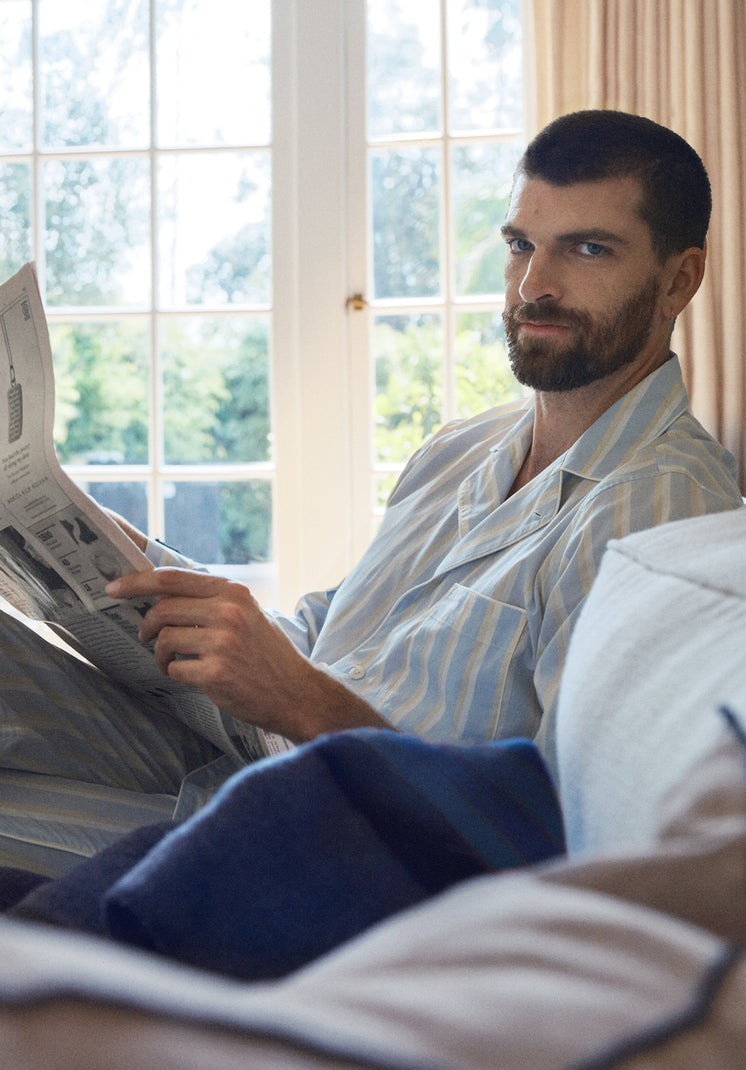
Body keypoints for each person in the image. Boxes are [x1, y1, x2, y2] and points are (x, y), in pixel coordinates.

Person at [0, 110, 741, 864]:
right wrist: (103, 542)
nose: (534, 285)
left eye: (588, 249)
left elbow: (567, 831)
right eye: (521, 245)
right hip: (239, 769)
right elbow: (328, 634)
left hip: (351, 857)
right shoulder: (460, 448)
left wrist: (301, 701)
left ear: (678, 279)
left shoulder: (663, 512)